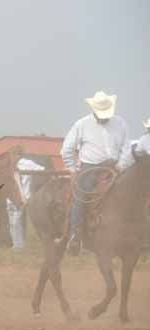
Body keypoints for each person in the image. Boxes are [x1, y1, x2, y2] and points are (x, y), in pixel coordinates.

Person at [60, 91, 130, 255]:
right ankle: (75, 237)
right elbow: (67, 149)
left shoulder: (120, 123)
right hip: (90, 169)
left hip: (116, 167)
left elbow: (127, 148)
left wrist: (121, 165)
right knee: (81, 199)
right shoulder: (82, 124)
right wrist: (72, 169)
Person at [6, 149, 45, 250]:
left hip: (24, 197)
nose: (11, 157)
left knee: (19, 221)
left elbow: (42, 169)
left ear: (18, 155)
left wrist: (31, 174)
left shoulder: (26, 163)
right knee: (14, 222)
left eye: (13, 154)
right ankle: (18, 245)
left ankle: (18, 246)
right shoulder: (8, 166)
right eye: (11, 155)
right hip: (11, 198)